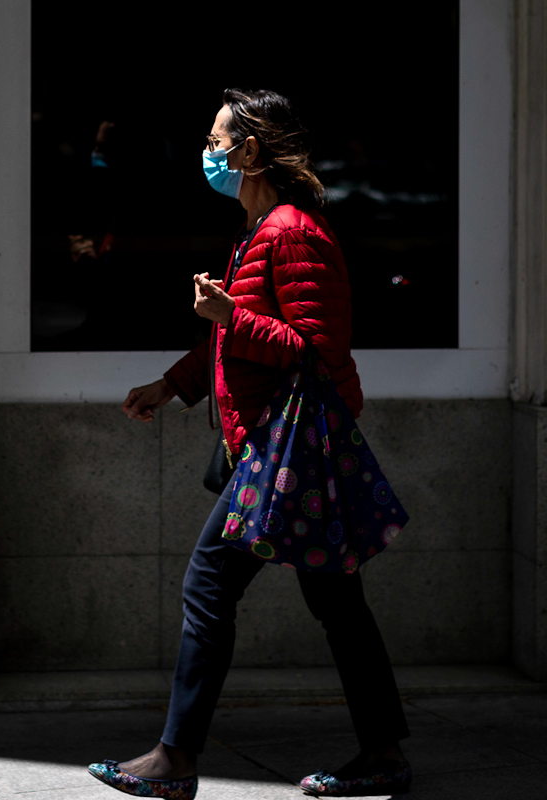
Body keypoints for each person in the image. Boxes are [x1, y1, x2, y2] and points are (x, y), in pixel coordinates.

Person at [87, 89, 412, 799]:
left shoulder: (291, 232)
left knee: (208, 586)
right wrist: (172, 384)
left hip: (284, 457)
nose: (208, 154)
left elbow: (318, 352)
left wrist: (229, 314)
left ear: (251, 151)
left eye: (216, 142)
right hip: (275, 451)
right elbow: (239, 341)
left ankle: (175, 761)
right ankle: (384, 755)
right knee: (338, 605)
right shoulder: (260, 229)